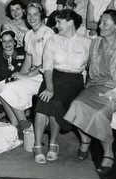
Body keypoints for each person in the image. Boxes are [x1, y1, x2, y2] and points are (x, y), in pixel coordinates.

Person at [64, 10, 116, 175]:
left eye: (105, 23)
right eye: (100, 22)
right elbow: (91, 70)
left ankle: (108, 152)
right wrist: (86, 90)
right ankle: (85, 140)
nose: (100, 25)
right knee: (76, 105)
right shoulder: (95, 43)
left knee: (99, 114)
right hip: (96, 87)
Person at [32, 9, 91, 164]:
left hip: (74, 81)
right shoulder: (53, 40)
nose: (56, 25)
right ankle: (37, 144)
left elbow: (92, 69)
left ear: (70, 21)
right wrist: (49, 86)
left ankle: (53, 142)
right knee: (44, 100)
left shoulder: (87, 42)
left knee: (57, 102)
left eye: (59, 22)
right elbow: (48, 66)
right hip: (53, 77)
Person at [0, 3, 55, 136]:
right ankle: (15, 124)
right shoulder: (28, 34)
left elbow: (48, 62)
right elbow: (28, 58)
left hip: (44, 75)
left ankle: (23, 123)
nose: (31, 17)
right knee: (1, 85)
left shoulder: (48, 32)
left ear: (41, 15)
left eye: (35, 14)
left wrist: (27, 75)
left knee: (10, 89)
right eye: (29, 14)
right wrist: (20, 74)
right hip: (31, 73)